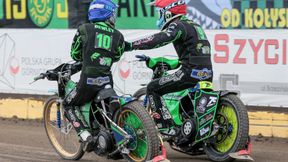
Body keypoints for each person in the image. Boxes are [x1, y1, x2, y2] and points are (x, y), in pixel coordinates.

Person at [125, 0, 213, 129]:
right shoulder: (194, 25)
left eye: (159, 12)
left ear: (167, 12)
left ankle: (165, 126)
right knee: (187, 102)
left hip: (189, 73)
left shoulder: (178, 25)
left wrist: (133, 45)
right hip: (207, 73)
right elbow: (192, 53)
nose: (158, 16)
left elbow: (160, 39)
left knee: (152, 88)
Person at [63, 0, 125, 152]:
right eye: (112, 14)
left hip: (87, 83)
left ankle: (85, 135)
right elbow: (116, 56)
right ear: (106, 14)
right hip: (106, 82)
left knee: (68, 104)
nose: (114, 17)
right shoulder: (118, 35)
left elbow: (75, 54)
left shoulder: (84, 29)